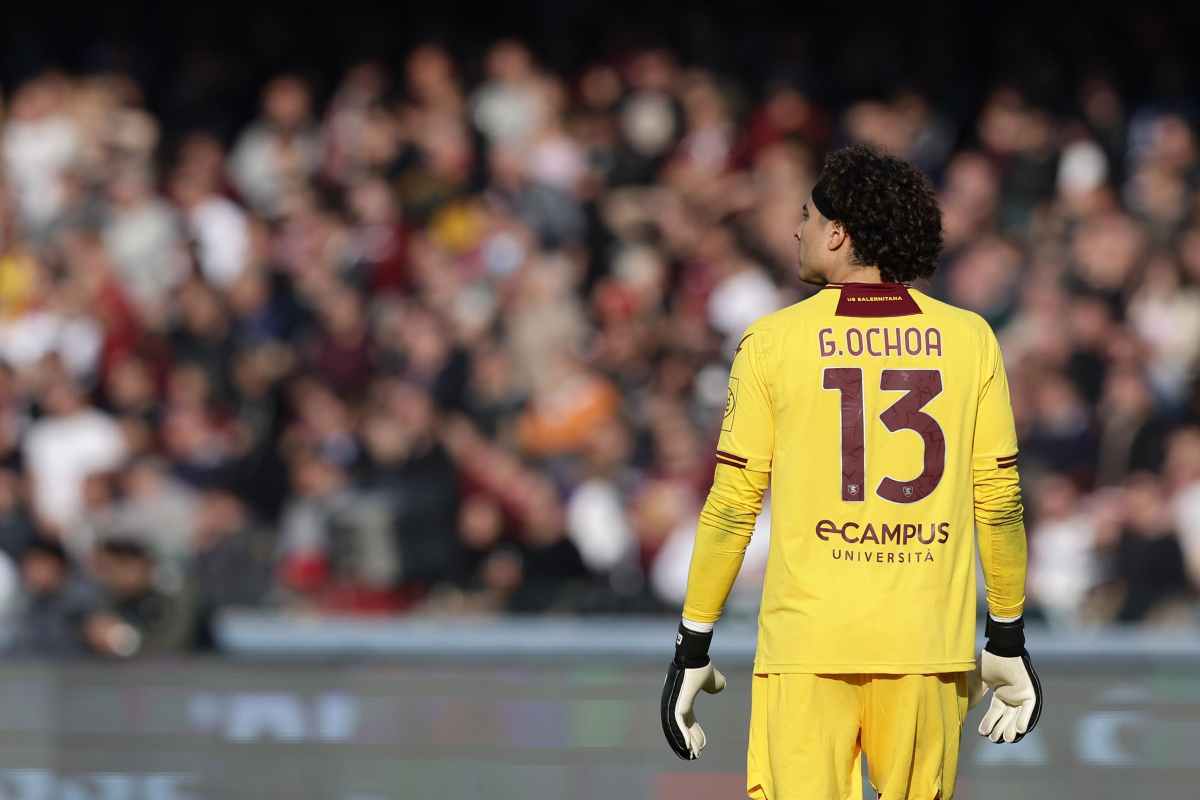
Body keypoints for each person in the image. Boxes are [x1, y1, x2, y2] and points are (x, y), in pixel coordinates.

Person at [660, 145, 1043, 800]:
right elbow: (1000, 502)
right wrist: (1006, 634)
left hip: (808, 642)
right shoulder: (970, 338)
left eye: (807, 217)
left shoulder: (771, 342)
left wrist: (694, 642)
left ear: (837, 234)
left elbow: (731, 507)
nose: (797, 229)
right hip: (927, 642)